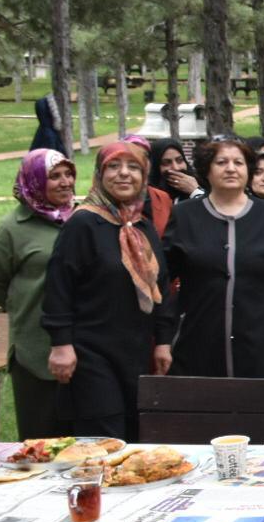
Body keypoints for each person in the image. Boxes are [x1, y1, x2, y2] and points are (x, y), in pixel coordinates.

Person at [42, 142, 174, 439]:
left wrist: (164, 341)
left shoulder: (143, 226)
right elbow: (58, 287)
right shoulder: (84, 223)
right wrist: (60, 344)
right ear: (100, 175)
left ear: (145, 175)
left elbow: (161, 285)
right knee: (104, 439)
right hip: (91, 354)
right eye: (114, 167)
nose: (124, 174)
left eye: (134, 167)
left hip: (135, 351)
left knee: (134, 435)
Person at [164, 136, 264, 379]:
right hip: (198, 334)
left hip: (258, 336)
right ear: (206, 170)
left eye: (238, 163)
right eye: (222, 162)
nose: (231, 168)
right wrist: (165, 331)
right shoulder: (185, 215)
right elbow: (163, 275)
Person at [0, 150, 76, 437]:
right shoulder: (12, 228)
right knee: (40, 438)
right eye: (54, 176)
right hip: (34, 350)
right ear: (33, 181)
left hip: (85, 344)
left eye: (68, 174)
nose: (65, 182)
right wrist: (30, 305)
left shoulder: (82, 219)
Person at [148, 138, 201, 202]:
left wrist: (195, 191)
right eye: (166, 163)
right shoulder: (147, 197)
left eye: (179, 160)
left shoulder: (203, 185)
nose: (176, 168)